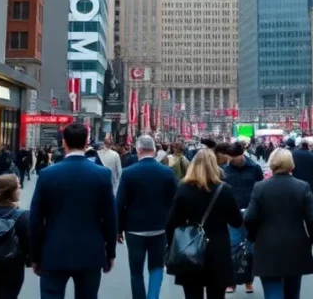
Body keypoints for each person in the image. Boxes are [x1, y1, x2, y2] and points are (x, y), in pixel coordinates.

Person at [29, 123, 118, 299]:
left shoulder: (47, 174)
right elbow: (110, 217)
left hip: (54, 251)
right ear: (86, 143)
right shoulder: (102, 175)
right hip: (90, 252)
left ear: (64, 143)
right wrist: (110, 252)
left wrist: (35, 255)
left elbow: (36, 218)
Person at [244, 148, 313, 299]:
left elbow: (249, 218)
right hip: (296, 244)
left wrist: (253, 237)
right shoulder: (302, 187)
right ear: (291, 165)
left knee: (272, 290)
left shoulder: (260, 187)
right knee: (292, 291)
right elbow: (311, 220)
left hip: (266, 245)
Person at [165, 148, 244, 299]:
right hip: (217, 249)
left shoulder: (184, 189)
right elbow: (236, 221)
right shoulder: (224, 190)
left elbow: (171, 223)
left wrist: (171, 245)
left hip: (190, 250)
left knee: (192, 293)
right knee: (217, 294)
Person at [117, 135, 178, 299]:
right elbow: (175, 201)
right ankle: (153, 296)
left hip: (134, 229)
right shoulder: (167, 172)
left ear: (138, 150)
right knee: (157, 267)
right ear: (154, 149)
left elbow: (120, 203)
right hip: (159, 227)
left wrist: (118, 229)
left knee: (136, 271)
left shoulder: (128, 173)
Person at [223, 141, 264, 294]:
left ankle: (248, 280)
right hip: (232, 214)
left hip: (251, 213)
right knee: (233, 247)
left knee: (250, 248)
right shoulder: (224, 170)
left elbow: (261, 189)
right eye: (230, 157)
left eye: (236, 156)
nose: (233, 159)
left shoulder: (255, 168)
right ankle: (231, 281)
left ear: (242, 153)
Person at [291, 138, 313, 216]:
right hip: (312, 184)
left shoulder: (294, 154)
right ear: (307, 146)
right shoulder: (312, 156)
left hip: (297, 183)